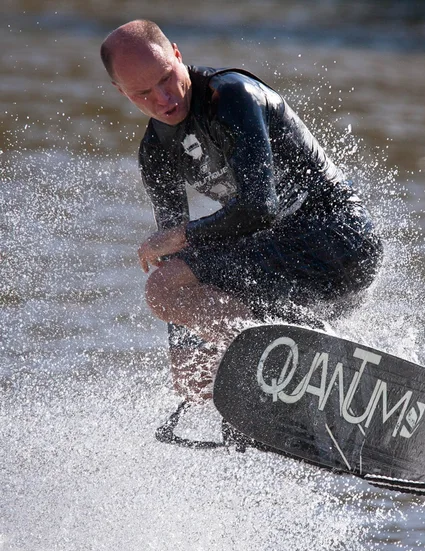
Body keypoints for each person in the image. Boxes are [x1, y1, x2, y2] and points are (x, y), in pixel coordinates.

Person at [100, 19, 383, 404]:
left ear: (178, 56)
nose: (164, 100)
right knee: (191, 367)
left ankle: (281, 364)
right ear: (122, 93)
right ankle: (276, 375)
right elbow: (176, 262)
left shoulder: (231, 95)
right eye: (143, 93)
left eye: (166, 78)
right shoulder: (155, 153)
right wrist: (184, 354)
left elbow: (258, 208)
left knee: (162, 290)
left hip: (338, 239)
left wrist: (182, 235)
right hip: (285, 269)